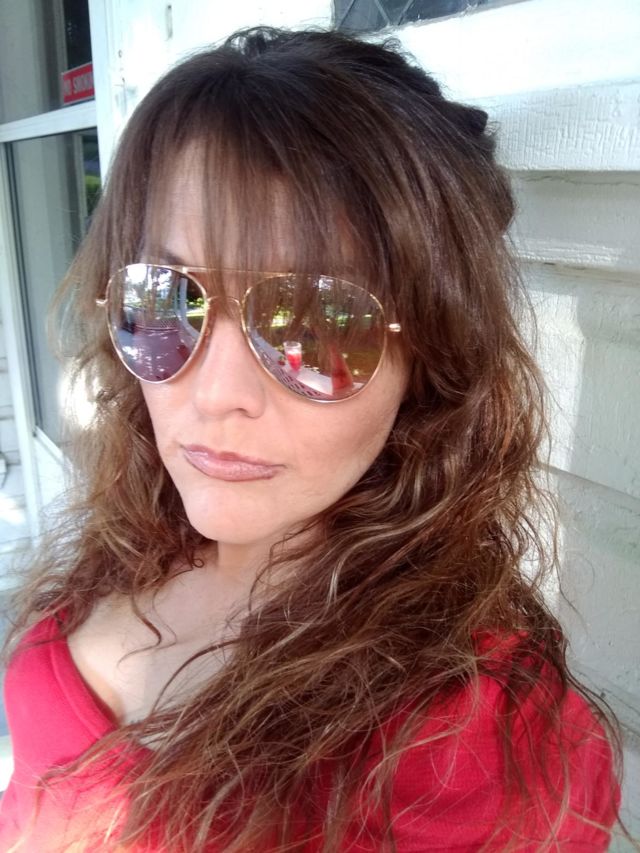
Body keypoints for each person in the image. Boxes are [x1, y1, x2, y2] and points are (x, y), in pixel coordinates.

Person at [0, 26, 624, 853]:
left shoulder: (464, 751)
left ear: (428, 361)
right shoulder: (138, 533)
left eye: (318, 325)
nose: (213, 395)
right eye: (167, 297)